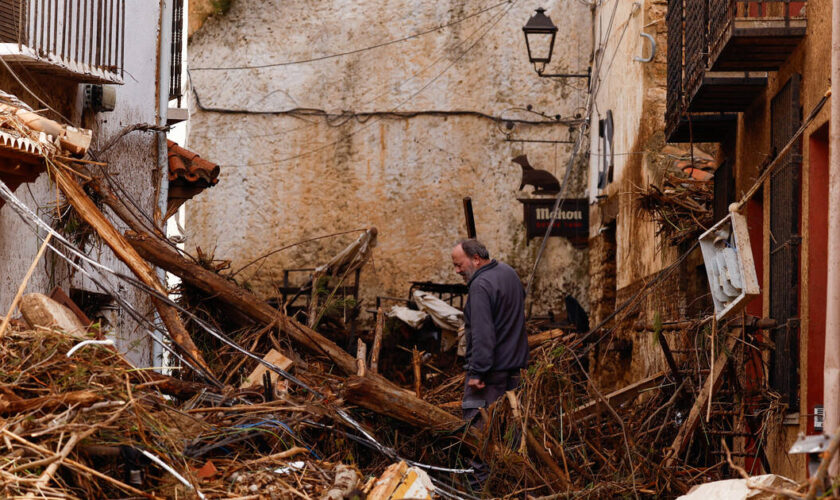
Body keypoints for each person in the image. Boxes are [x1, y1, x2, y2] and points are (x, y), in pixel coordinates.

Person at [451, 239, 528, 426]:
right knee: (510, 431)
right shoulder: (508, 273)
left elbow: (482, 333)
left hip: (490, 376)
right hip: (515, 372)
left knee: (477, 434)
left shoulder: (480, 286)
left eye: (459, 265)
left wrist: (477, 372)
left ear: (476, 259)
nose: (457, 271)